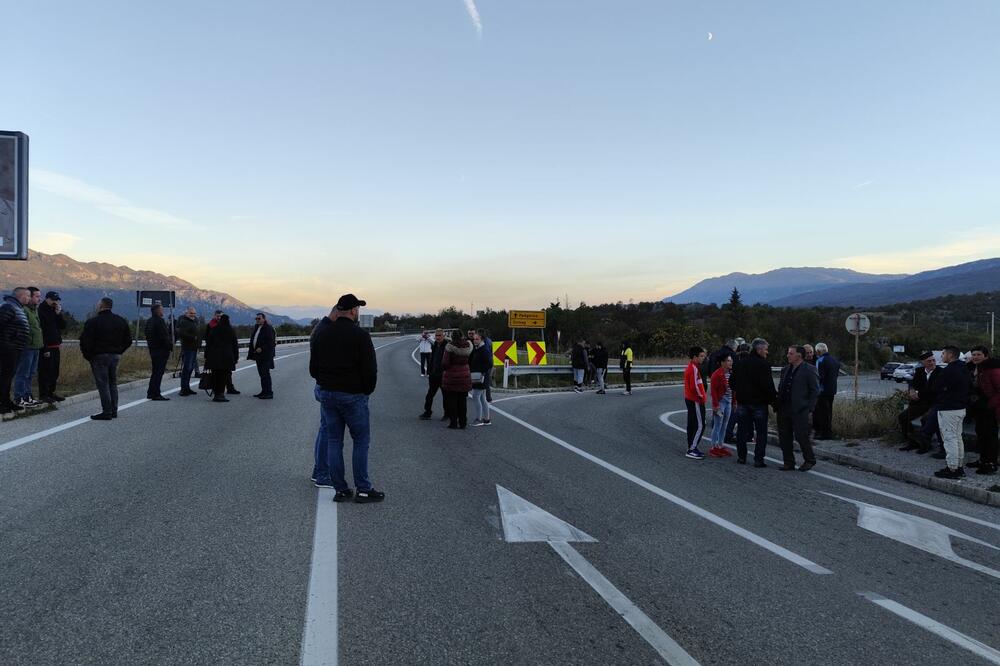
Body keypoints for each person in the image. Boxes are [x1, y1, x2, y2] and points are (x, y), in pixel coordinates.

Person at [309, 293, 383, 503]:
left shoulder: (322, 333)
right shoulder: (360, 335)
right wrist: (365, 391)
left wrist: (326, 383)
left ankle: (340, 489)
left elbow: (313, 369)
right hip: (353, 396)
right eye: (357, 308)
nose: (357, 312)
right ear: (352, 311)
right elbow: (370, 370)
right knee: (360, 441)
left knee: (334, 441)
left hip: (328, 395)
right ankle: (362, 488)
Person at [79, 297, 132, 420]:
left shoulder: (93, 322)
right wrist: (119, 351)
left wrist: (89, 356)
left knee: (103, 384)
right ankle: (114, 410)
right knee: (113, 383)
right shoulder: (120, 321)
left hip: (99, 356)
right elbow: (128, 340)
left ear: (101, 306)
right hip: (115, 356)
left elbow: (85, 341)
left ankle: (106, 411)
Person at [730, 337, 777, 467]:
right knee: (761, 432)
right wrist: (773, 400)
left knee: (741, 431)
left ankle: (741, 457)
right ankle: (758, 459)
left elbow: (732, 382)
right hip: (759, 404)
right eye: (766, 350)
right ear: (760, 349)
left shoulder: (740, 363)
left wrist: (740, 392)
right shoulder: (764, 364)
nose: (767, 353)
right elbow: (768, 385)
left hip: (743, 402)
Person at [776, 345, 820, 471]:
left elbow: (815, 390)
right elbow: (781, 387)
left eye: (791, 353)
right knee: (784, 436)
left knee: (801, 436)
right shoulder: (785, 369)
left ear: (799, 356)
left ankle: (809, 459)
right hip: (784, 408)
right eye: (788, 353)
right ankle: (788, 462)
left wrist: (810, 408)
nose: (788, 355)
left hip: (800, 408)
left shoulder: (809, 370)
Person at [931, 346, 970, 479]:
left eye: (943, 353)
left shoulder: (949, 370)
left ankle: (952, 469)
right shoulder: (963, 368)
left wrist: (942, 393)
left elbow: (936, 387)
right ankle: (958, 467)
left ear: (950, 354)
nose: (941, 356)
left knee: (949, 439)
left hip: (948, 408)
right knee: (957, 438)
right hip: (960, 407)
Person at [899, 352, 942, 453]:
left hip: (934, 403)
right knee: (903, 417)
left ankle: (925, 445)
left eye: (933, 360)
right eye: (929, 361)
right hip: (920, 402)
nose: (932, 363)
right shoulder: (919, 371)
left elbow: (934, 390)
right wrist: (912, 390)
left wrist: (918, 393)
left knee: (926, 420)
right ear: (923, 362)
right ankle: (912, 442)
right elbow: (913, 383)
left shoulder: (941, 372)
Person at [966, 346, 999, 475]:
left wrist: (989, 405)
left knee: (990, 437)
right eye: (973, 354)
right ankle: (983, 460)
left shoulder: (993, 368)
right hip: (980, 408)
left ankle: (991, 464)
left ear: (986, 356)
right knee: (981, 434)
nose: (975, 357)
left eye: (978, 354)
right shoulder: (979, 367)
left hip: (990, 408)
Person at [0, 287, 31, 419]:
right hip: (7, 347)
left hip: (14, 347)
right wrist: (9, 340)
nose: (29, 298)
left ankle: (6, 401)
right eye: (28, 296)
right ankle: (2, 404)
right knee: (4, 376)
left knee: (9, 375)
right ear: (21, 295)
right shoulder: (8, 307)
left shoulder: (17, 308)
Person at [13, 287, 43, 408]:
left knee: (31, 373)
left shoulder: (34, 310)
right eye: (36, 296)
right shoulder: (24, 310)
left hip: (36, 346)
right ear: (29, 297)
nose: (38, 299)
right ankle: (19, 397)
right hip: (27, 347)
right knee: (23, 373)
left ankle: (28, 396)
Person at [37, 291, 67, 403]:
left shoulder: (54, 311)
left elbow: (63, 326)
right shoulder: (41, 311)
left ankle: (51, 392)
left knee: (54, 371)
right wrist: (45, 348)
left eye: (57, 300)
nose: (55, 302)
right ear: (47, 299)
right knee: (45, 371)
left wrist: (59, 313)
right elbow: (41, 331)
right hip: (47, 346)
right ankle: (44, 394)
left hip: (55, 345)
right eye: (53, 300)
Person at [441, 329, 472, 429]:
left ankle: (453, 423)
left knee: (452, 402)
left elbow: (445, 363)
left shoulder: (449, 347)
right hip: (464, 376)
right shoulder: (468, 345)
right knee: (462, 401)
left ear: (452, 336)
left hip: (452, 377)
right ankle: (463, 422)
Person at [204, 314, 239, 402]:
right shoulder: (231, 331)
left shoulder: (214, 330)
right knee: (223, 376)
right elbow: (235, 345)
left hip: (214, 357)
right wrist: (236, 357)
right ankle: (221, 394)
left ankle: (216, 394)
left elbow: (209, 344)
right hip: (226, 357)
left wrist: (206, 355)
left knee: (215, 375)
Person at [144, 303, 173, 401]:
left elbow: (146, 334)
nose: (163, 311)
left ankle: (150, 392)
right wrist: (169, 346)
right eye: (161, 309)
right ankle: (156, 393)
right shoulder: (160, 322)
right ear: (157, 311)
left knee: (155, 372)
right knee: (158, 372)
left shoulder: (149, 321)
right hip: (161, 350)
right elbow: (164, 337)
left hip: (153, 349)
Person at [683, 346, 708, 459]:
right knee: (700, 425)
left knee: (692, 424)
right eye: (701, 356)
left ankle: (691, 446)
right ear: (695, 357)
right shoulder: (694, 368)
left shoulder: (693, 367)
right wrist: (702, 397)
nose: (703, 358)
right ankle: (692, 449)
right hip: (695, 400)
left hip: (691, 399)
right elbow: (695, 387)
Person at [813, 342, 841, 440]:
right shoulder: (835, 360)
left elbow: (819, 377)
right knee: (829, 411)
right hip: (832, 389)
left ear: (818, 351)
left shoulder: (820, 360)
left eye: (816, 351)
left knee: (822, 412)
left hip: (822, 390)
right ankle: (828, 431)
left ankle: (824, 433)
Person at [709, 354, 735, 457]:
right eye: (728, 361)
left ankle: (720, 445)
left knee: (725, 425)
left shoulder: (731, 373)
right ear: (722, 363)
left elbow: (734, 389)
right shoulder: (717, 374)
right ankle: (713, 447)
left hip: (728, 401)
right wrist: (716, 405)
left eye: (731, 361)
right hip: (720, 402)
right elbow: (713, 391)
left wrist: (734, 402)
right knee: (717, 425)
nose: (731, 362)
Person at [419, 329, 448, 420]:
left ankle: (447, 414)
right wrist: (429, 371)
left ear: (443, 336)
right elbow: (432, 359)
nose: (438, 337)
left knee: (446, 396)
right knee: (429, 395)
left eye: (440, 336)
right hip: (434, 375)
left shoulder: (447, 346)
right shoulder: (435, 345)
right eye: (437, 336)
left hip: (443, 375)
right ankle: (427, 412)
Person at [248, 312, 276, 399]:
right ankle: (264, 391)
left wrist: (262, 348)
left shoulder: (268, 328)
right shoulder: (257, 327)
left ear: (264, 319)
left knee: (265, 374)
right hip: (258, 355)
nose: (257, 320)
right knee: (262, 374)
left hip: (266, 355)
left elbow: (271, 342)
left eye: (259, 318)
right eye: (256, 319)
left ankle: (269, 393)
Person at [176, 306, 201, 396]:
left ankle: (187, 387)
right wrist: (193, 338)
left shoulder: (194, 321)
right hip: (188, 348)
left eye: (194, 313)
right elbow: (181, 333)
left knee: (190, 369)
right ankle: (183, 389)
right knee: (187, 369)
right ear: (186, 313)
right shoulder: (184, 322)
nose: (193, 315)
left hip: (194, 348)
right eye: (191, 313)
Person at [469, 331, 492, 426]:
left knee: (476, 396)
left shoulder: (484, 350)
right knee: (482, 398)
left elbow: (489, 364)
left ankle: (479, 419)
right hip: (477, 377)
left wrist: (481, 372)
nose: (475, 340)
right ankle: (486, 419)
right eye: (474, 339)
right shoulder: (477, 349)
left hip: (481, 377)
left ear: (482, 339)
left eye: (477, 339)